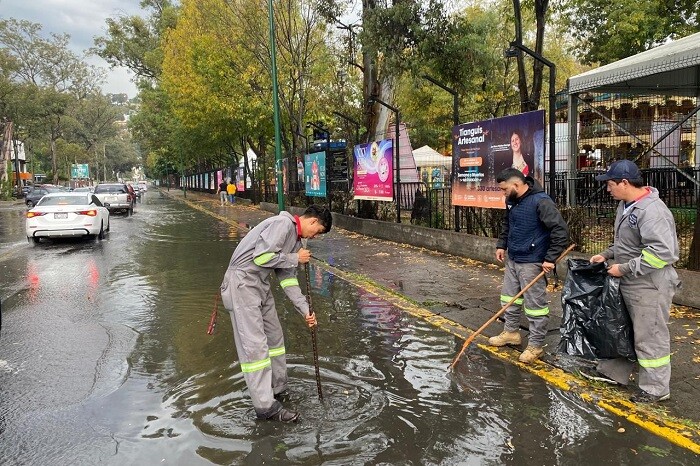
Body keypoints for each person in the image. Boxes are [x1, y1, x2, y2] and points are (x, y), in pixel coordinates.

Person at [219, 205, 333, 422]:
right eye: (317, 232)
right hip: (242, 285)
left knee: (275, 338)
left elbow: (288, 279)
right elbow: (261, 258)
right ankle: (265, 407)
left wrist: (305, 310)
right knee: (255, 347)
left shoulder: (296, 241)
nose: (315, 237)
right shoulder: (282, 225)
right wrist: (294, 258)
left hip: (260, 285)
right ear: (312, 222)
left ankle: (277, 389)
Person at [582, 160, 679, 403]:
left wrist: (623, 268)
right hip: (630, 280)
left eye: (611, 184)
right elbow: (628, 243)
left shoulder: (652, 212)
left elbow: (662, 253)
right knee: (621, 327)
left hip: (650, 285)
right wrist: (606, 254)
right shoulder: (627, 205)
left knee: (650, 335)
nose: (608, 189)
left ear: (625, 183)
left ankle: (656, 389)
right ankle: (612, 373)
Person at [487, 168, 569, 364]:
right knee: (509, 299)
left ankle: (536, 345)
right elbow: (507, 224)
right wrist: (501, 245)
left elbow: (560, 230)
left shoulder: (541, 201)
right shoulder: (512, 201)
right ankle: (511, 333)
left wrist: (550, 258)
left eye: (504, 189)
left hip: (533, 261)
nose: (503, 193)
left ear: (516, 185)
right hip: (514, 258)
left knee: (535, 307)